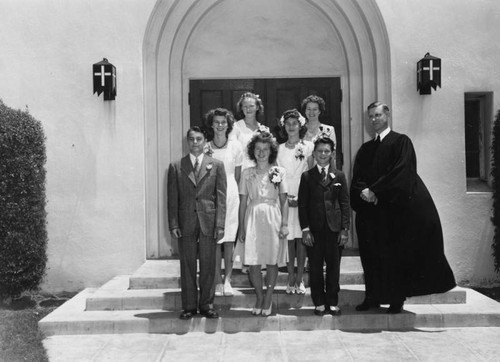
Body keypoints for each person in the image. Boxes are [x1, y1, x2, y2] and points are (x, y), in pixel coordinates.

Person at [350, 101, 456, 314]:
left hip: (392, 211)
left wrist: (376, 191)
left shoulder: (401, 142)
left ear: (387, 114)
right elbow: (358, 177)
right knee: (371, 256)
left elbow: (402, 172)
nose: (373, 120)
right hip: (371, 214)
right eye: (370, 116)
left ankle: (396, 299)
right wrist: (364, 192)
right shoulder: (366, 148)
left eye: (377, 115)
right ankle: (372, 296)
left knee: (393, 256)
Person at [167, 126, 227, 320]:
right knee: (187, 265)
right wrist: (174, 224)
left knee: (209, 265)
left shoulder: (216, 165)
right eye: (191, 139)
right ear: (187, 141)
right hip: (186, 222)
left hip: (208, 222)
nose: (195, 143)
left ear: (204, 141)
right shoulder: (176, 166)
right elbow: (172, 199)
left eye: (199, 139)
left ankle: (207, 305)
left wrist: (220, 224)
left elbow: (221, 198)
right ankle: (189, 306)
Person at [238, 131, 289, 316]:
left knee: (272, 259)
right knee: (253, 261)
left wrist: (284, 224)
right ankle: (259, 295)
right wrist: (241, 227)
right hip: (252, 216)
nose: (261, 153)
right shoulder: (247, 173)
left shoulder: (278, 171)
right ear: (253, 151)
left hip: (272, 216)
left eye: (265, 149)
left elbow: (284, 200)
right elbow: (243, 202)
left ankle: (268, 296)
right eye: (258, 149)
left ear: (271, 151)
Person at [298, 135, 350, 316]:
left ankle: (333, 301)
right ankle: (319, 302)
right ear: (314, 153)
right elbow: (303, 206)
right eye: (320, 151)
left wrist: (344, 229)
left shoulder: (339, 176)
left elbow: (344, 204)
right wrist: (305, 230)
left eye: (326, 151)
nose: (323, 154)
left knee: (334, 267)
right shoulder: (307, 177)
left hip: (334, 230)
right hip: (315, 230)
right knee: (315, 267)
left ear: (332, 154)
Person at [204, 108, 243, 297]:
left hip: (230, 193)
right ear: (211, 124)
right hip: (211, 195)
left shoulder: (236, 146)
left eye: (223, 122)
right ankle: (217, 280)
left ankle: (227, 279)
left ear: (228, 125)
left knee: (229, 238)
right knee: (215, 238)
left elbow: (236, 175)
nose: (220, 125)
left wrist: (228, 188)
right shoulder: (206, 147)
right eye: (216, 122)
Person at [276, 109, 314, 295]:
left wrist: (302, 197)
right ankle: (290, 277)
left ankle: (300, 279)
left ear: (301, 125)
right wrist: (284, 196)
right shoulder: (279, 149)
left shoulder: (308, 146)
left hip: (303, 192)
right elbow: (275, 175)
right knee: (289, 238)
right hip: (285, 194)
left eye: (295, 123)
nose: (291, 127)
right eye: (288, 123)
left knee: (301, 238)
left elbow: (312, 174)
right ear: (284, 126)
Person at [231, 92, 270, 271]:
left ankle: (260, 258)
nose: (248, 108)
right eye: (245, 105)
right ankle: (243, 259)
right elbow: (234, 152)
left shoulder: (263, 128)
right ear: (241, 108)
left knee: (258, 213)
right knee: (245, 212)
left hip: (260, 173)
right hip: (244, 174)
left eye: (251, 105)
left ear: (257, 107)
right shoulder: (236, 127)